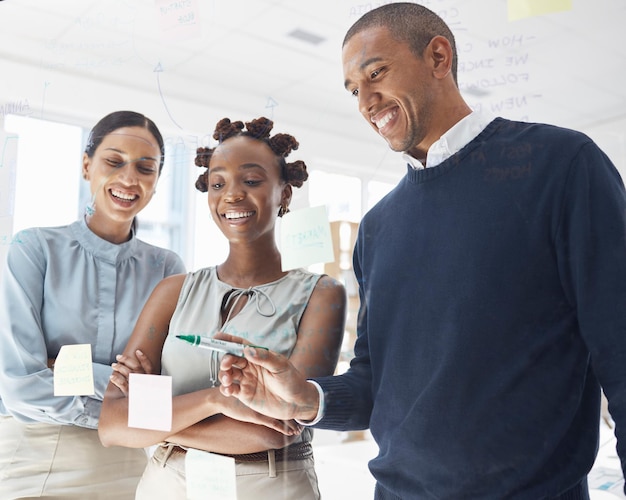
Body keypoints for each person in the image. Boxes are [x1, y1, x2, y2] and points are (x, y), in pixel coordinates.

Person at [217, 3, 626, 499]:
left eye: (377, 73)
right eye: (353, 90)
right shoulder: (378, 227)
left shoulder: (560, 166)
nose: (366, 101)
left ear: (438, 56)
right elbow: (373, 380)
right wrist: (306, 397)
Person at [98, 116, 346, 500]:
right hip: (168, 482)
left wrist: (151, 418)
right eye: (218, 183)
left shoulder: (322, 294)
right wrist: (216, 400)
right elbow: (112, 425)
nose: (231, 195)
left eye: (251, 181)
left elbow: (273, 428)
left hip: (268, 485)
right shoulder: (173, 291)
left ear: (285, 193)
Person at [0, 110, 186, 499]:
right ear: (87, 166)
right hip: (35, 454)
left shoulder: (167, 269)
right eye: (114, 161)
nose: (129, 178)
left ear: (156, 182)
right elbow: (20, 387)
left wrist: (61, 365)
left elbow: (164, 389)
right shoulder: (33, 249)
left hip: (125, 459)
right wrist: (121, 387)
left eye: (145, 168)